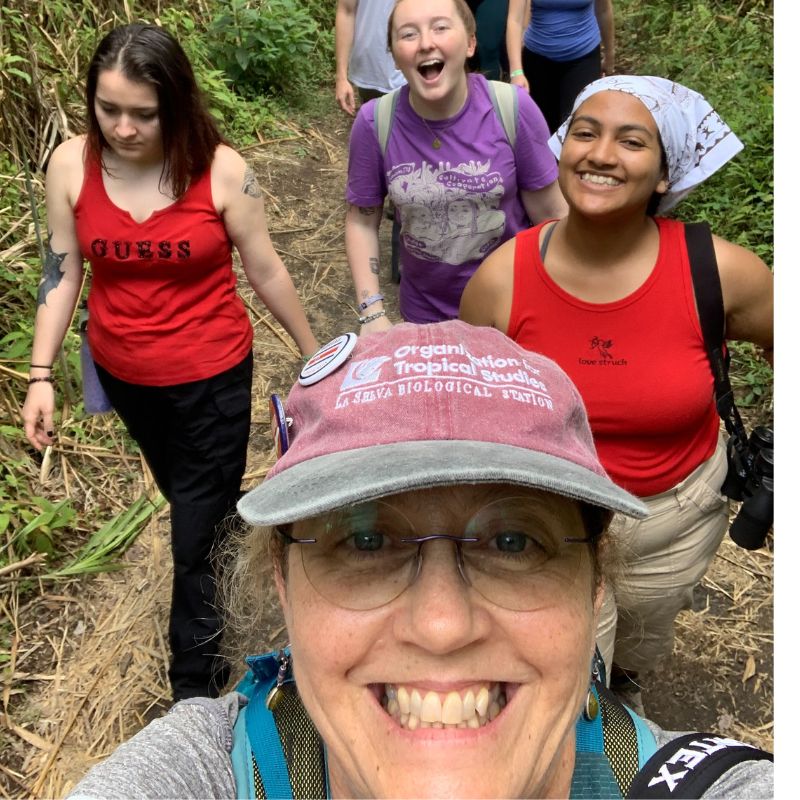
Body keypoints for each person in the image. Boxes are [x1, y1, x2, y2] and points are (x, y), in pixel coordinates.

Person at [64, 321, 773, 799]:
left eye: (513, 542)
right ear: (282, 582)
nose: (440, 626)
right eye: (366, 542)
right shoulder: (204, 771)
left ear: (595, 585)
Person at [20, 24, 319, 703]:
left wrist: (314, 355)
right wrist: (41, 376)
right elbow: (62, 273)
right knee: (194, 503)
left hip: (211, 377)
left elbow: (265, 268)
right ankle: (221, 528)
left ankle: (195, 692)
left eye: (143, 114)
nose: (122, 128)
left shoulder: (223, 171)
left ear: (176, 104)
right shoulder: (70, 165)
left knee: (191, 543)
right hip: (127, 377)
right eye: (108, 108)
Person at [459, 76, 774, 708]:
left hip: (676, 518)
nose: (601, 154)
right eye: (585, 132)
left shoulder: (720, 272)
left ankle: (623, 692)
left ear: (664, 173)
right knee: (569, 678)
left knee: (639, 642)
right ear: (561, 147)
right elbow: (472, 406)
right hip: (553, 519)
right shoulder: (503, 280)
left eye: (632, 141)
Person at [345, 0, 567, 334]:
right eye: (408, 34)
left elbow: (551, 212)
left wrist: (567, 296)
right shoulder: (375, 122)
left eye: (440, 27)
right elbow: (362, 220)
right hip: (425, 316)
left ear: (470, 43)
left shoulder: (512, 108)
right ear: (393, 54)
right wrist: (371, 311)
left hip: (512, 309)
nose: (425, 43)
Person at [335, 0, 405, 284]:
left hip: (412, 70)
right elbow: (346, 10)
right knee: (378, 162)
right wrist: (341, 75)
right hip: (369, 74)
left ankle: (404, 260)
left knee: (409, 163)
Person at [506, 0, 615, 133]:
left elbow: (604, 11)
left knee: (577, 124)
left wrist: (609, 55)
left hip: (583, 55)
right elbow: (514, 20)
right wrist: (516, 72)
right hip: (538, 56)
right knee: (542, 127)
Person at [335, 0, 406, 116]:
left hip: (418, 69)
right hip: (371, 71)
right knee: (377, 129)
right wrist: (341, 78)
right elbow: (346, 10)